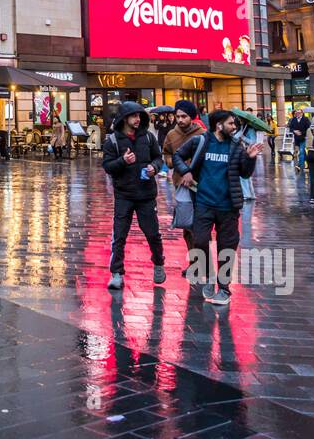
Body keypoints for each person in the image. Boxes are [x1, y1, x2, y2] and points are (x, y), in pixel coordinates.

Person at [173, 109, 263, 306]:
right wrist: (185, 172)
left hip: (228, 206)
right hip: (203, 202)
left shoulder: (237, 145)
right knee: (200, 240)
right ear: (219, 125)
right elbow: (177, 155)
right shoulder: (201, 141)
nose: (234, 127)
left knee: (227, 247)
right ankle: (208, 275)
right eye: (231, 123)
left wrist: (250, 158)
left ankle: (224, 288)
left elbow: (245, 174)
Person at [101, 101, 167, 291]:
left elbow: (158, 157)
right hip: (124, 194)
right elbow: (107, 166)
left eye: (139, 116)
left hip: (146, 194)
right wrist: (122, 161)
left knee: (153, 233)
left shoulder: (147, 137)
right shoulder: (112, 141)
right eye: (134, 116)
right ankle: (116, 273)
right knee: (119, 235)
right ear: (124, 118)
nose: (138, 119)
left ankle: (158, 262)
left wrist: (154, 168)